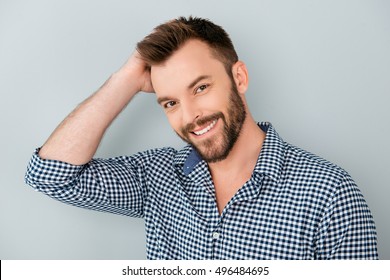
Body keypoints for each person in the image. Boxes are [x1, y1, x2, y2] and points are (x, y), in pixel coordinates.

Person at [25, 16, 378, 259]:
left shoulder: (330, 193)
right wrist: (126, 80)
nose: (190, 115)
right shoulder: (156, 176)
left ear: (239, 78)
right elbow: (50, 175)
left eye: (201, 87)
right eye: (170, 102)